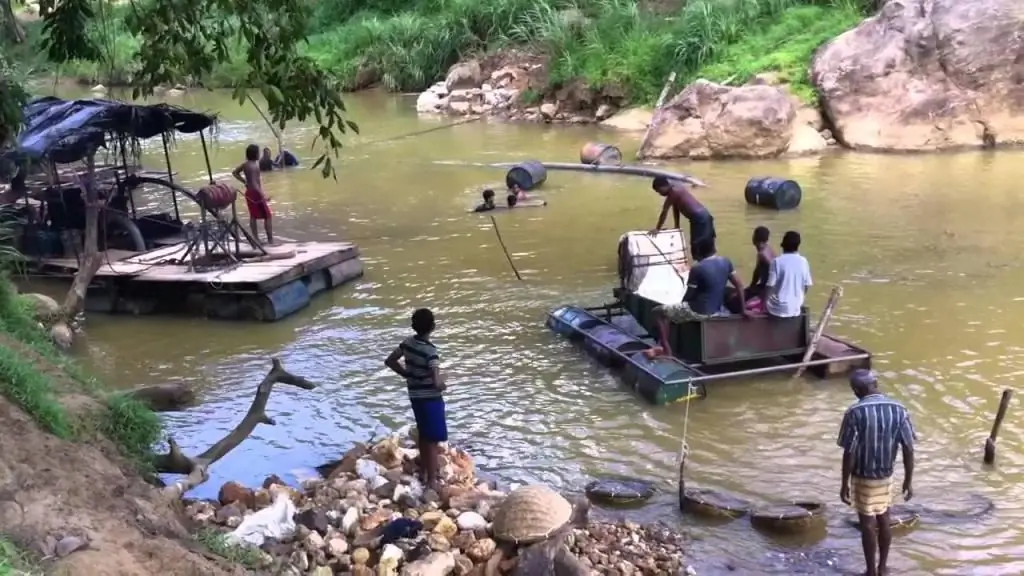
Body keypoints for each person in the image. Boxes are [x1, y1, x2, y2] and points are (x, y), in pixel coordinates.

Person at [838, 369, 915, 576]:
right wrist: (908, 480)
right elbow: (908, 447)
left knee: (867, 524)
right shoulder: (900, 409)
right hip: (886, 475)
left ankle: (871, 571)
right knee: (884, 517)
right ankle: (883, 568)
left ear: (856, 390)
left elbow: (850, 451)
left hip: (863, 476)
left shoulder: (854, 413)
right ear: (876, 384)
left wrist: (844, 482)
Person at [650, 236, 749, 357]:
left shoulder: (697, 268)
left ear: (699, 251)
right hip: (718, 310)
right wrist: (743, 310)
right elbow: (739, 285)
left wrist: (680, 306)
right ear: (714, 248)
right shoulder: (726, 262)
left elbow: (689, 295)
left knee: (658, 312)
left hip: (700, 311)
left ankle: (666, 349)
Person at [384, 308, 448, 490]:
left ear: (414, 326)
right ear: (433, 327)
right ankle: (432, 480)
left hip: (415, 396)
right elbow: (436, 382)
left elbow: (390, 361)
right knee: (433, 440)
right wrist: (444, 383)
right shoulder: (430, 352)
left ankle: (423, 472)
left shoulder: (407, 343)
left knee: (423, 434)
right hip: (431, 399)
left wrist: (406, 374)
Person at [650, 176, 715, 251]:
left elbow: (664, 212)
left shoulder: (673, 192)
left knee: (698, 245)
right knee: (706, 244)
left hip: (699, 218)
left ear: (664, 186)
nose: (659, 193)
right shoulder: (676, 189)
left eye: (659, 190)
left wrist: (657, 229)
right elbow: (676, 210)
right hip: (703, 216)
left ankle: (703, 261)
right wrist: (677, 226)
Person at [232, 144, 274, 244]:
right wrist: (263, 196)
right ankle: (270, 240)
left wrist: (244, 182)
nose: (259, 154)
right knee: (268, 216)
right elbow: (256, 184)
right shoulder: (255, 165)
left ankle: (256, 239)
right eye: (258, 152)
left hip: (249, 192)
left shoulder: (246, 164)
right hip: (256, 192)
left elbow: (235, 173)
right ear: (255, 154)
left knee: (253, 216)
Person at [765, 230, 811, 318]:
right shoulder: (804, 261)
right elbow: (806, 287)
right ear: (798, 246)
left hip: (778, 309)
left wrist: (764, 304)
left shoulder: (777, 262)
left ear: (783, 245)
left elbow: (769, 286)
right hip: (796, 308)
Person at [745, 226, 774, 312]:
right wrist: (751, 287)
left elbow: (759, 274)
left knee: (736, 299)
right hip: (768, 287)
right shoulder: (768, 249)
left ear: (755, 238)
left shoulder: (762, 254)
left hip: (766, 289)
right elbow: (757, 272)